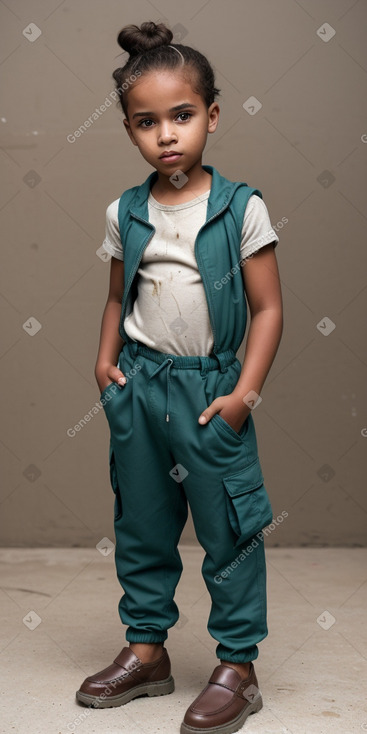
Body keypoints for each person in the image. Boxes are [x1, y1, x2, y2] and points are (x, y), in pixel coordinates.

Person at [76, 20, 283, 734]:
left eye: (182, 116)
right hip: (138, 390)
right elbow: (116, 296)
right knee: (141, 525)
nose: (166, 135)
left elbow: (268, 309)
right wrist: (105, 369)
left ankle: (236, 665)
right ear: (130, 130)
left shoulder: (238, 208)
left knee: (228, 530)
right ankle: (146, 651)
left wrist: (239, 399)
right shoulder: (125, 211)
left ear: (212, 116)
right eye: (146, 122)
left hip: (209, 394)